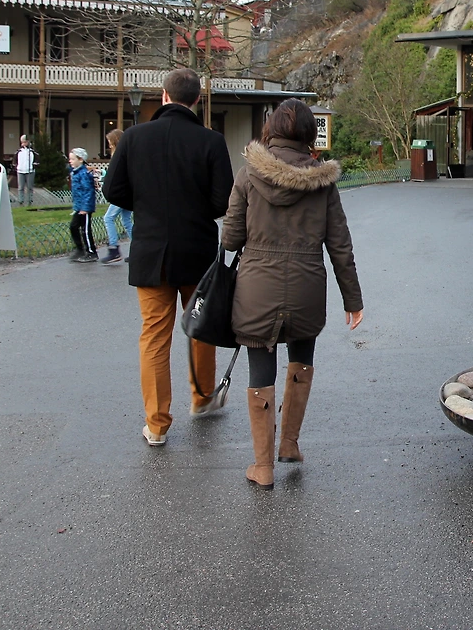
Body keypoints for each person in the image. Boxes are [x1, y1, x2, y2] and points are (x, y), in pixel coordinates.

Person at [221, 98, 363, 490]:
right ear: (308, 135)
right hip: (306, 286)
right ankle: (290, 444)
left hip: (257, 287)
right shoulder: (323, 182)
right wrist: (353, 300)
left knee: (260, 367)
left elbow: (230, 238)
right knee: (301, 357)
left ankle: (263, 466)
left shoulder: (248, 175)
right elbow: (340, 245)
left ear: (271, 130)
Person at [102, 68, 235, 447]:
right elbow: (221, 201)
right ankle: (202, 397)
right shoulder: (211, 141)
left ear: (163, 96)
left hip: (150, 251)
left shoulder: (134, 137)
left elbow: (112, 190)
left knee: (154, 336)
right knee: (200, 325)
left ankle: (157, 424)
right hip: (196, 249)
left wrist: (146, 205)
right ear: (197, 100)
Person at [100, 129, 133, 264]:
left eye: (110, 142)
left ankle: (114, 249)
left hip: (121, 192)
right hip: (128, 192)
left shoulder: (119, 155)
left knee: (108, 218)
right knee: (126, 220)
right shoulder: (128, 153)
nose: (109, 145)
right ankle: (137, 248)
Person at [68, 147, 98, 263]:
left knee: (85, 230)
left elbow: (88, 191)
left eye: (72, 159)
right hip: (79, 206)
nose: (70, 161)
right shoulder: (75, 172)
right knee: (73, 226)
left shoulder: (84, 174)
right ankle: (80, 249)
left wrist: (85, 208)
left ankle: (91, 252)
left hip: (85, 207)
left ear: (80, 160)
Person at [13, 135, 36, 207]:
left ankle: (30, 201)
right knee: (21, 187)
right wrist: (17, 167)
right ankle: (21, 201)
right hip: (20, 171)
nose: (24, 143)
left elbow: (36, 160)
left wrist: (33, 166)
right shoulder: (18, 152)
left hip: (30, 171)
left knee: (30, 187)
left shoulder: (32, 151)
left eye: (25, 142)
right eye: (22, 142)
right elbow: (14, 161)